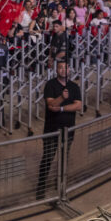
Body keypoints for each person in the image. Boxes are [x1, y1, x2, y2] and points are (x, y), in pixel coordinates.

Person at [36, 59, 81, 200]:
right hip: (52, 129)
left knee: (63, 158)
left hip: (68, 129)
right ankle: (41, 187)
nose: (63, 70)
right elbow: (51, 105)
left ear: (69, 70)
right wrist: (62, 97)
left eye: (66, 67)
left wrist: (61, 108)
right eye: (60, 68)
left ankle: (60, 184)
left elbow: (78, 105)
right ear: (56, 70)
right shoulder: (50, 85)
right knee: (48, 158)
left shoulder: (74, 86)